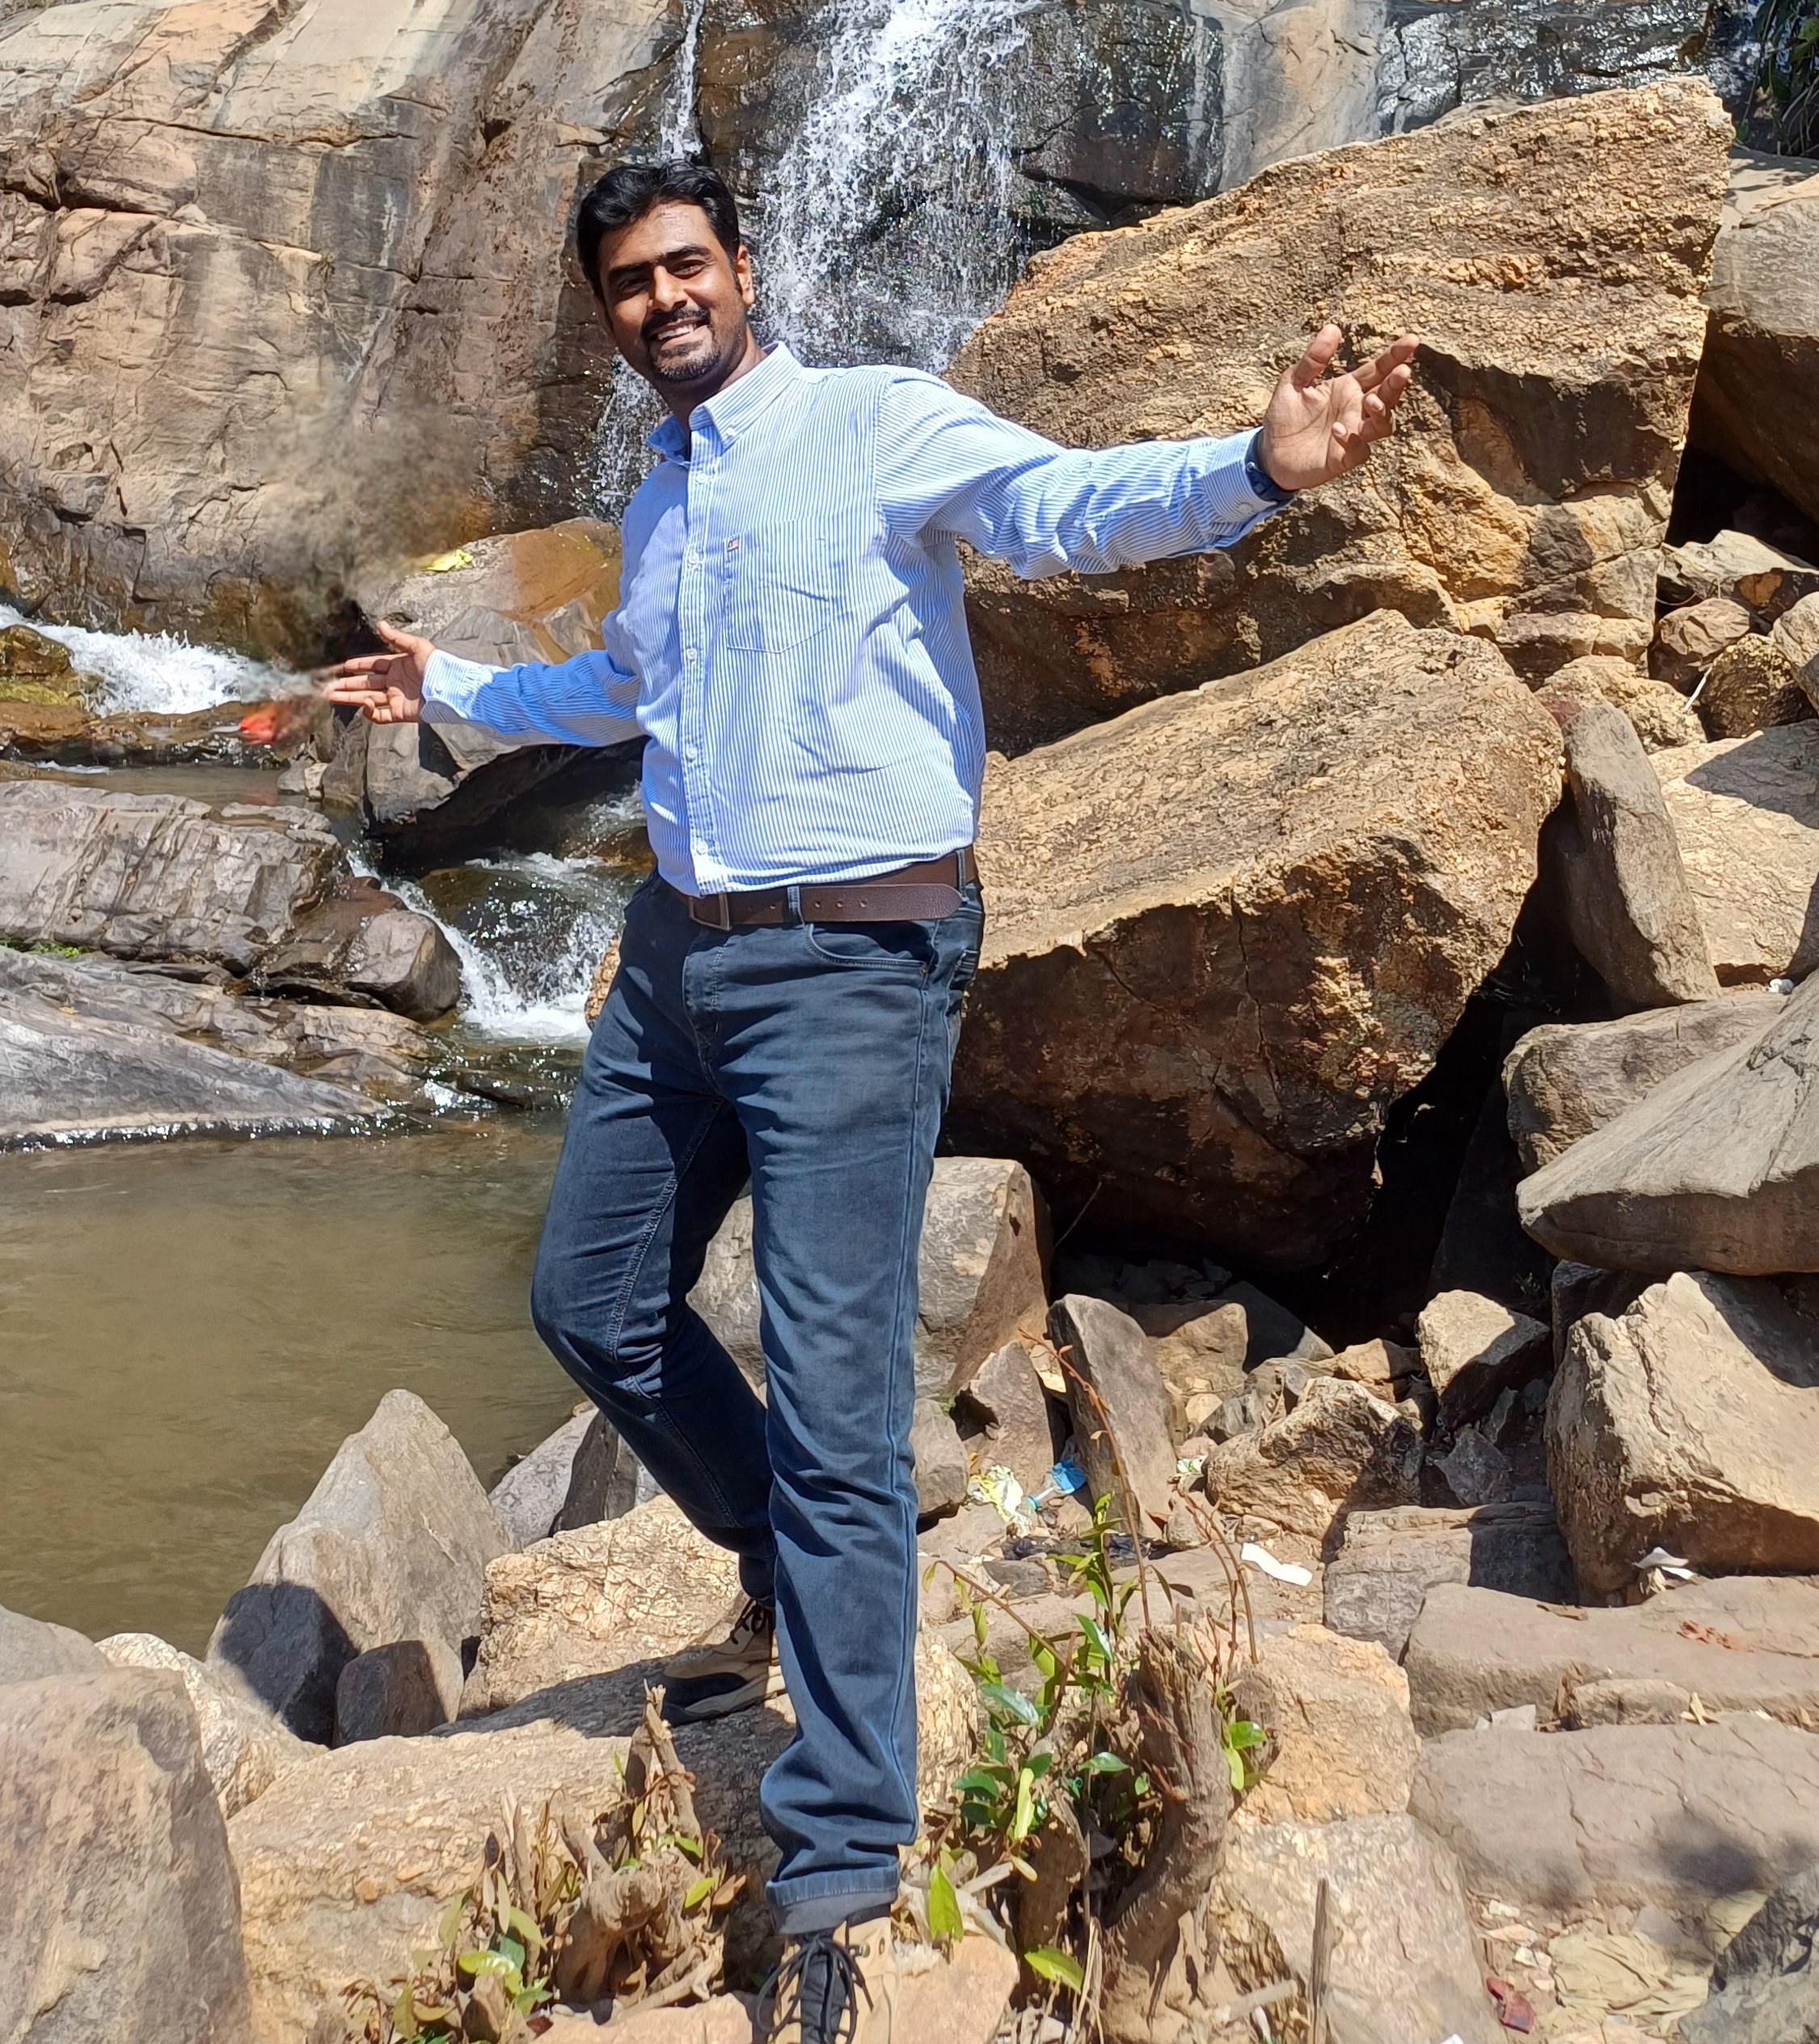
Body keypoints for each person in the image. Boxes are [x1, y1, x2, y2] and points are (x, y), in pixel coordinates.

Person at [321, 155, 1416, 2044]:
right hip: (679, 947)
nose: (665, 299)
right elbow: (627, 688)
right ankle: (781, 1554)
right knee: (591, 1296)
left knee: (836, 1390)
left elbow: (1065, 508)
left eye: (686, 265)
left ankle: (839, 1856)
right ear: (611, 313)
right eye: (631, 283)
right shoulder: (662, 492)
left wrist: (1259, 467)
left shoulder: (877, 422)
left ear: (744, 268)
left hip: (853, 957)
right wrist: (457, 685)